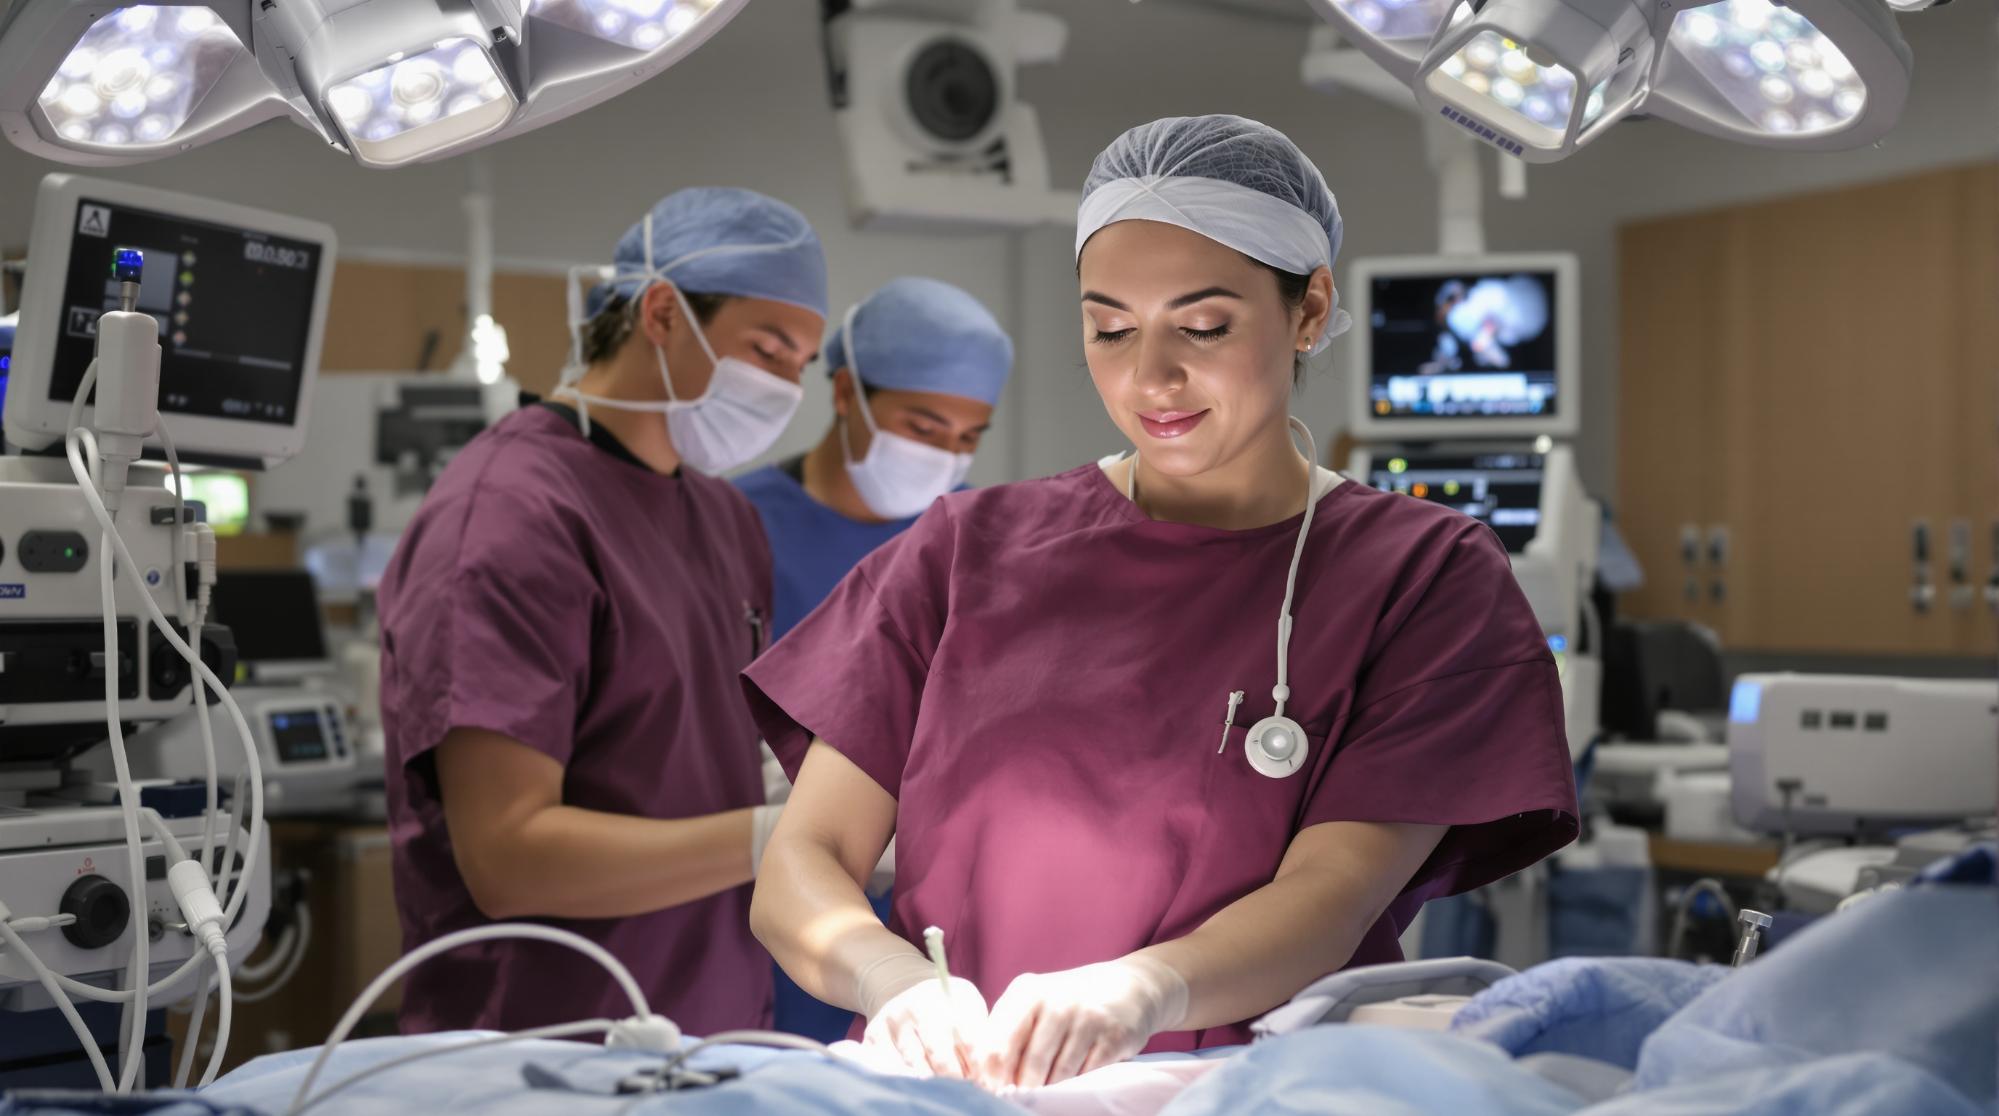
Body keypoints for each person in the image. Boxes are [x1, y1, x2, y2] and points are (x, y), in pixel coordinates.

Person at [742, 115, 1579, 1091]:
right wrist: (889, 978)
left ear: (1309, 312)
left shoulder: (1424, 577)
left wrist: (1149, 989)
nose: (1150, 377)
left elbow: (1333, 893)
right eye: (1109, 328)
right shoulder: (962, 551)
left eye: (1203, 326)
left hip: (1250, 1092)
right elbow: (803, 860)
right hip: (964, 1088)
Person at [375, 187, 827, 1036]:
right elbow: (511, 856)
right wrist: (780, 837)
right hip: (543, 1044)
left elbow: (673, 747)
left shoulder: (722, 517)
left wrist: (813, 793)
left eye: (801, 365)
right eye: (767, 351)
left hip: (707, 1023)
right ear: (660, 312)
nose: (784, 390)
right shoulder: (512, 513)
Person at [734, 276, 1012, 1043]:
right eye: (924, 426)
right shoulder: (734, 526)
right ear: (847, 391)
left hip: (924, 925)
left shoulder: (977, 544)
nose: (945, 457)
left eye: (967, 438)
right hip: (751, 905)